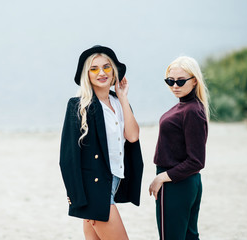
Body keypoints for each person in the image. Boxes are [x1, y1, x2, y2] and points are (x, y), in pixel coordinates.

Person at [59, 45, 144, 240]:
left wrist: (123, 97)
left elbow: (132, 136)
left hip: (113, 181)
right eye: (94, 69)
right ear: (86, 75)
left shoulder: (119, 102)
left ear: (114, 70)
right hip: (93, 188)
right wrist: (78, 198)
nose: (101, 73)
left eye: (106, 67)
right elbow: (68, 157)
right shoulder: (78, 106)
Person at [149, 56, 209, 240]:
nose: (175, 85)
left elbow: (196, 161)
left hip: (176, 183)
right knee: (190, 236)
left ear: (194, 81)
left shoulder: (191, 110)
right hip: (186, 183)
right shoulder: (188, 106)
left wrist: (161, 177)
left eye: (181, 81)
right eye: (170, 81)